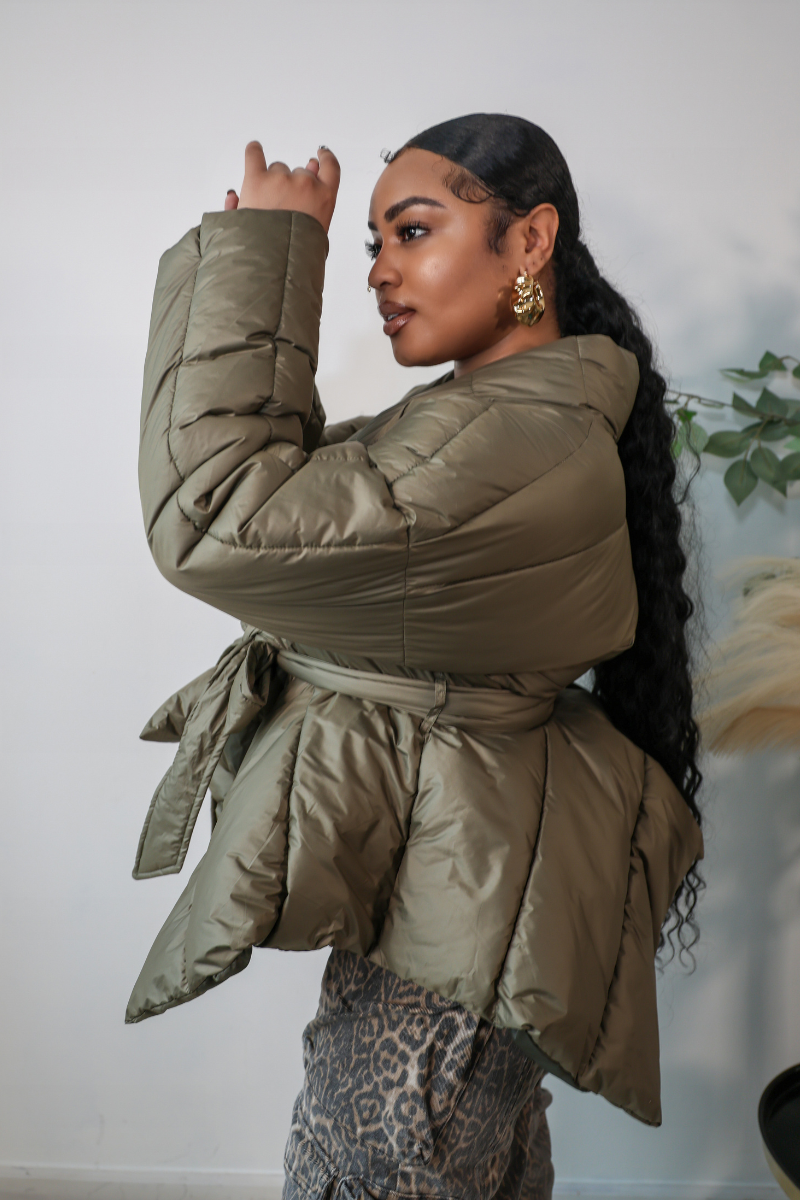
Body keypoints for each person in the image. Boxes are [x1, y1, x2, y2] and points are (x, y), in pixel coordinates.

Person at [130, 114, 705, 1199]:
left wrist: (268, 255)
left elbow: (219, 517)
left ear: (528, 242)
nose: (378, 271)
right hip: (463, 892)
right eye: (371, 244)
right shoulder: (492, 417)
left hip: (458, 932)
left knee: (369, 1172)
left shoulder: (514, 440)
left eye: (412, 230)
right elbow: (303, 504)